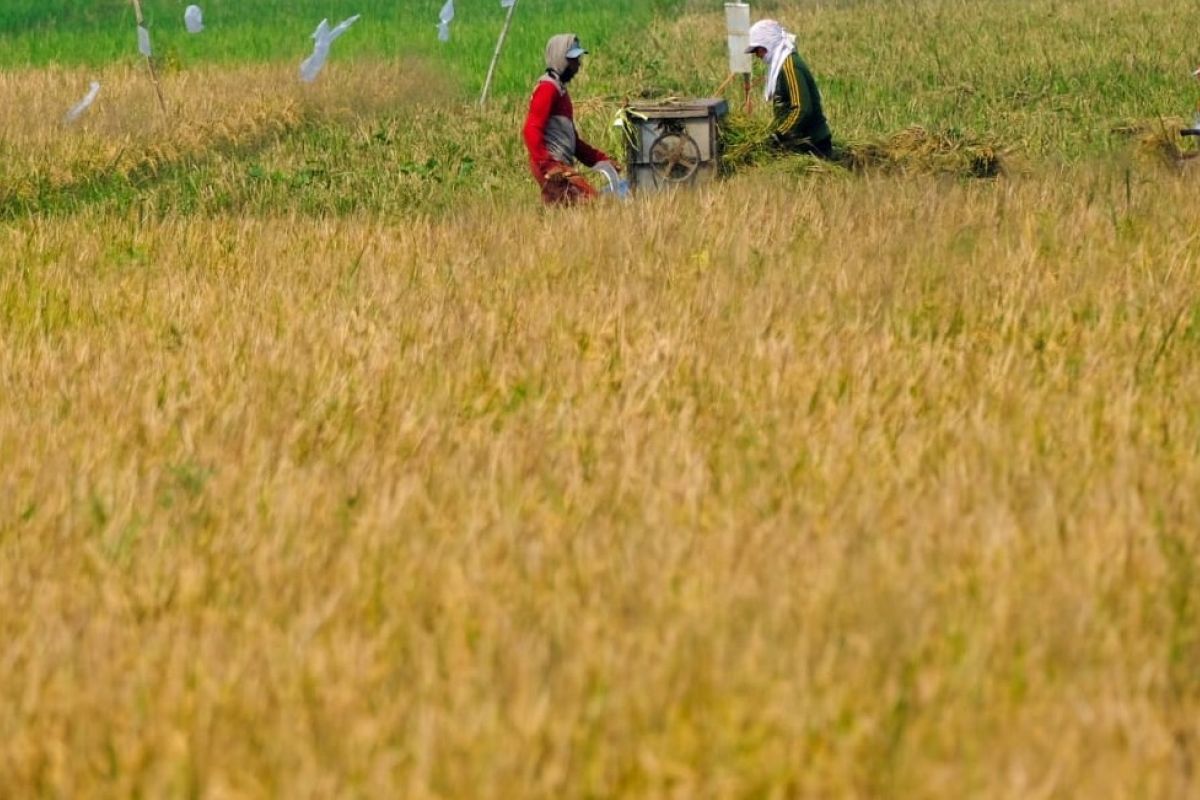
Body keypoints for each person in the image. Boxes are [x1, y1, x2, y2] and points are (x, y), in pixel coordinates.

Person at [522, 34, 619, 206]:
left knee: (571, 209)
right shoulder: (547, 89)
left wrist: (600, 160)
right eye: (573, 60)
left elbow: (574, 143)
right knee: (591, 204)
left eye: (578, 59)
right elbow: (531, 130)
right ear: (561, 59)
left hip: (560, 167)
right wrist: (549, 165)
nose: (578, 65)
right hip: (552, 167)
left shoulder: (560, 91)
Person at [746, 20, 834, 159]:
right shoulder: (782, 64)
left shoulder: (790, 66)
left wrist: (779, 135)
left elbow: (802, 109)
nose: (757, 55)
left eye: (758, 49)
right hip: (801, 143)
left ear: (768, 43)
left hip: (813, 145)